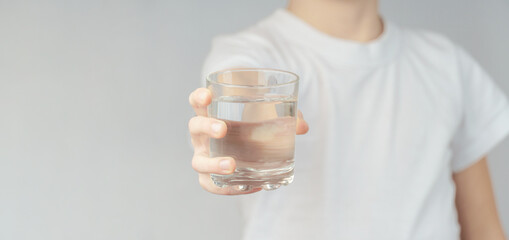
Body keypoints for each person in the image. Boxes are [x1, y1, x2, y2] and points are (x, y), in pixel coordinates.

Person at [188, 0, 509, 239]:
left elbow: (485, 231)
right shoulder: (250, 53)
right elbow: (238, 85)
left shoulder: (447, 65)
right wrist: (222, 141)